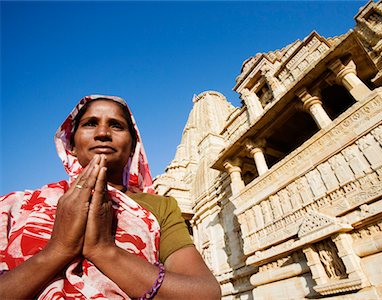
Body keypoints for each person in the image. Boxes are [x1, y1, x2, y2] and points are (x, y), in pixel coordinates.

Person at [0, 95, 221, 299]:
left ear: (132, 146)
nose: (103, 133)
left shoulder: (159, 206)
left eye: (116, 125)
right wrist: (59, 249)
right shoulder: (17, 205)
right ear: (72, 145)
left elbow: (204, 293)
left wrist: (104, 250)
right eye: (90, 123)